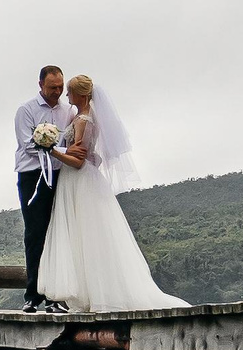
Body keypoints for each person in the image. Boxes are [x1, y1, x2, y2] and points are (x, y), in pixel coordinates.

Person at [34, 75, 189, 314]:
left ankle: (99, 295)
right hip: (75, 181)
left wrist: (51, 150)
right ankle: (87, 294)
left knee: (88, 237)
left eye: (70, 92)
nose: (66, 96)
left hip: (80, 180)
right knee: (81, 236)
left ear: (81, 95)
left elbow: (77, 161)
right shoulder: (80, 117)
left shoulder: (85, 120)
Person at [12, 67, 84, 306]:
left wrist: (64, 152)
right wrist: (63, 150)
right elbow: (28, 146)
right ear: (41, 84)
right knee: (35, 233)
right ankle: (33, 296)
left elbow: (70, 142)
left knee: (58, 233)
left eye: (60, 87)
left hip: (59, 175)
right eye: (53, 87)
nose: (57, 92)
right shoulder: (26, 110)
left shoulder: (68, 110)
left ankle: (56, 295)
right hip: (33, 176)